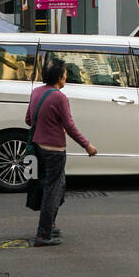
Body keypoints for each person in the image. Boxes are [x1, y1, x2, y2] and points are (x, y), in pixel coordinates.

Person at [25, 58, 97, 247]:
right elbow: (70, 126)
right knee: (53, 191)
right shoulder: (59, 97)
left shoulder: (36, 92)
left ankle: (50, 225)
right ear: (59, 76)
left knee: (58, 187)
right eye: (65, 72)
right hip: (54, 150)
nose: (66, 75)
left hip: (39, 146)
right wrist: (87, 145)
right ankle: (43, 235)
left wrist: (50, 125)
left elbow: (28, 119)